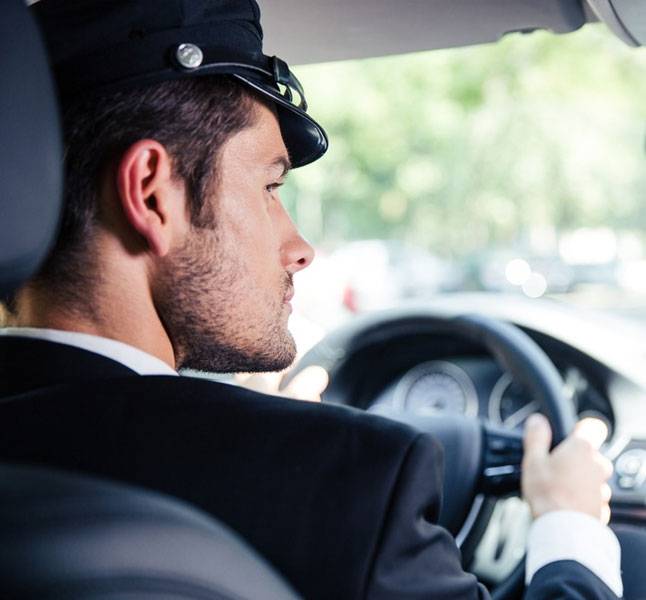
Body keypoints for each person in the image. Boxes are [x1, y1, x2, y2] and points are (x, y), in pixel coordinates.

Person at [0, 1, 622, 598]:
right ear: (152, 194)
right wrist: (569, 527)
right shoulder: (351, 481)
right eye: (271, 186)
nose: (301, 248)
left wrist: (244, 423)